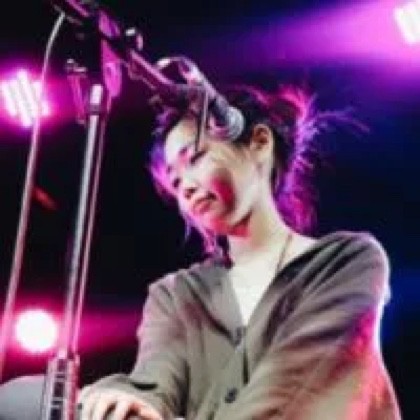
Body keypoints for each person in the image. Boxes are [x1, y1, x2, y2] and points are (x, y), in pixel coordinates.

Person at [0, 84, 401, 420]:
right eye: (174, 184)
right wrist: (125, 400)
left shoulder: (346, 261)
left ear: (259, 143)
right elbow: (156, 383)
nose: (186, 188)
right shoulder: (177, 294)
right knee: (21, 400)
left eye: (194, 159)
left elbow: (290, 392)